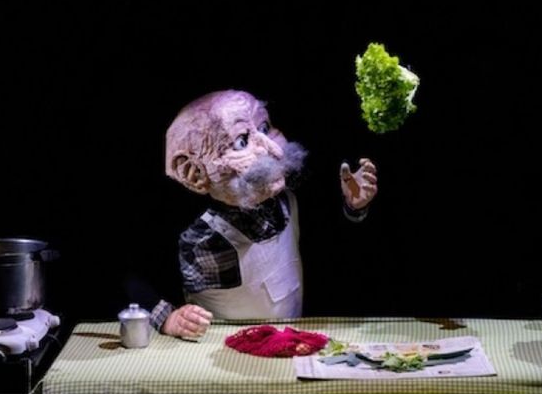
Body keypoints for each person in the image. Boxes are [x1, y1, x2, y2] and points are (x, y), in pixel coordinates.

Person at [149, 89, 378, 338]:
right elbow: (132, 276)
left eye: (265, 128)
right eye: (242, 141)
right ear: (193, 172)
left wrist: (353, 206)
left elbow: (335, 246)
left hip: (291, 338)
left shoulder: (286, 201)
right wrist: (169, 318)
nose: (275, 151)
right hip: (220, 348)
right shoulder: (193, 231)